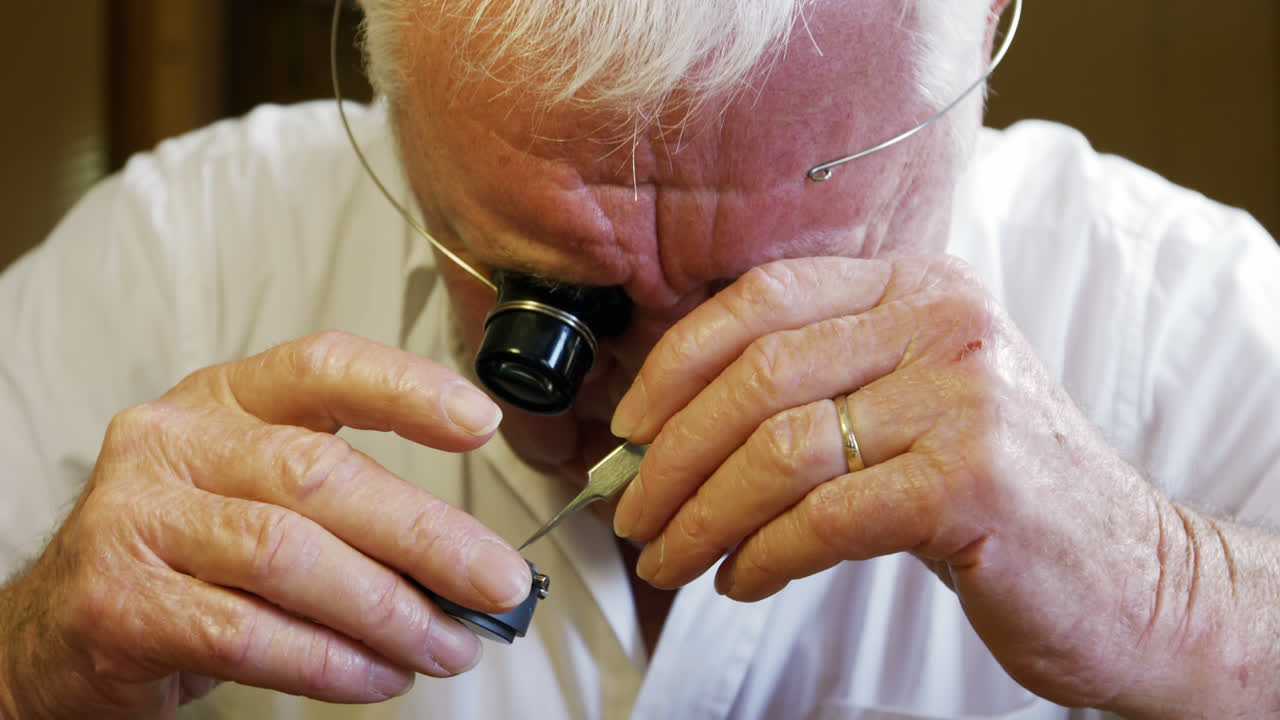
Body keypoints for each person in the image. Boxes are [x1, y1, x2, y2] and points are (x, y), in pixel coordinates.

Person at [2, 0, 1278, 717]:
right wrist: (36, 654)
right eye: (551, 305)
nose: (656, 416)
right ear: (392, 87)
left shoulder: (1195, 321)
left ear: (984, 27)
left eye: (772, 302)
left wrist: (1185, 601)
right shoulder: (168, 267)